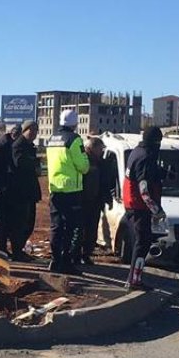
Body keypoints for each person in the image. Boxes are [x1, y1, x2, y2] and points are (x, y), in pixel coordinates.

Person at [45, 109, 91, 275]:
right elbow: (83, 166)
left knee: (56, 227)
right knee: (71, 228)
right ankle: (66, 262)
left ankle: (55, 260)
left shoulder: (52, 139)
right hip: (71, 190)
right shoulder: (74, 139)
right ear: (75, 123)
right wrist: (86, 160)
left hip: (55, 189)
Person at [122, 126, 165, 289]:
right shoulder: (146, 157)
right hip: (139, 207)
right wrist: (156, 210)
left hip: (131, 204)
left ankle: (134, 278)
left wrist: (162, 173)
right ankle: (134, 280)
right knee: (142, 243)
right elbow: (144, 189)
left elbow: (145, 174)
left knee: (140, 242)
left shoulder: (136, 152)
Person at [5, 120, 41, 261]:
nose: (34, 134)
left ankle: (19, 249)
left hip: (29, 190)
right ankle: (17, 251)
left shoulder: (29, 146)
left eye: (36, 131)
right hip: (20, 191)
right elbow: (20, 163)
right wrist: (34, 164)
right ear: (25, 130)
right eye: (31, 131)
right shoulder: (18, 146)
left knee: (28, 223)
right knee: (20, 223)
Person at [0, 123, 21, 254]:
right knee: (0, 220)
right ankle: (0, 250)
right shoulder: (3, 145)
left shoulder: (9, 144)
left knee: (7, 220)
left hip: (6, 188)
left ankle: (4, 248)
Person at [78, 136, 110, 266]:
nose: (102, 151)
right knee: (81, 230)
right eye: (100, 149)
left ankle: (86, 254)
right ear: (92, 148)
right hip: (83, 200)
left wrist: (105, 197)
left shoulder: (100, 162)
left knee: (92, 230)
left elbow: (104, 182)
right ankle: (77, 254)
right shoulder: (84, 160)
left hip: (95, 201)